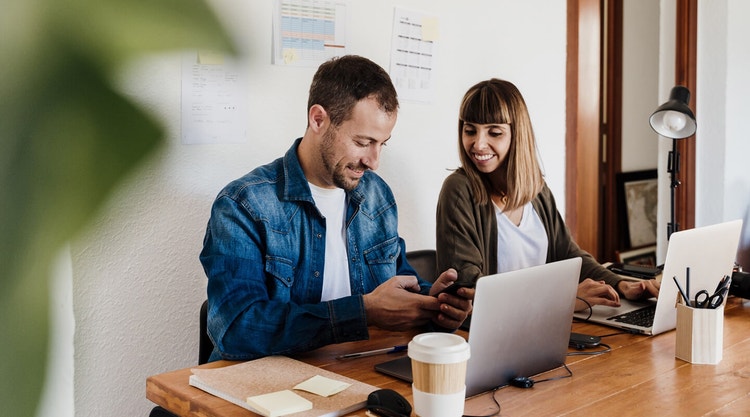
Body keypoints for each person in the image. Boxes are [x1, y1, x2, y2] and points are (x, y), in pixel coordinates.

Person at [199, 55, 473, 362]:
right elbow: (237, 330)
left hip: (356, 370)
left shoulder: (376, 195)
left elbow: (400, 281)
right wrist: (363, 311)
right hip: (266, 387)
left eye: (383, 144)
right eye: (362, 141)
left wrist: (435, 304)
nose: (374, 161)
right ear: (318, 119)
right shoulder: (243, 205)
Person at [435, 78, 659, 313]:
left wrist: (620, 284)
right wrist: (562, 299)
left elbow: (569, 256)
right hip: (490, 335)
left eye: (494, 132)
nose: (478, 144)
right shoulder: (458, 191)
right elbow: (467, 287)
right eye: (470, 130)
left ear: (517, 135)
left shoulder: (537, 190)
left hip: (543, 325)